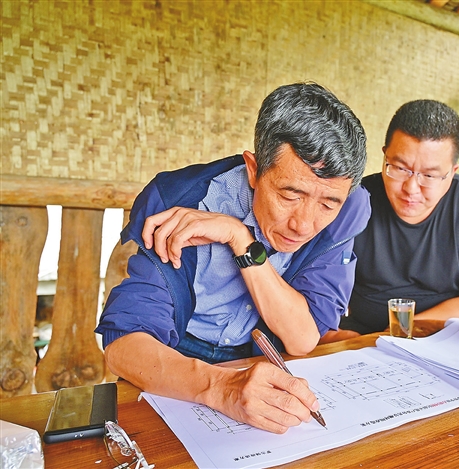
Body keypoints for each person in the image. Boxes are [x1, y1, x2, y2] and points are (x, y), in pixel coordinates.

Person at [96, 82, 370, 433]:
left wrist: (240, 238)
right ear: (253, 169)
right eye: (290, 196)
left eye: (327, 205)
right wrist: (220, 387)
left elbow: (302, 338)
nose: (303, 225)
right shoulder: (182, 200)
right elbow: (123, 346)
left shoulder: (348, 206)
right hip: (175, 355)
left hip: (260, 354)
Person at [326, 99, 459, 339]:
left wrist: (400, 330)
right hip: (359, 337)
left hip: (440, 336)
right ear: (385, 156)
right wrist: (337, 336)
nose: (411, 188)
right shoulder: (355, 200)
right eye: (400, 168)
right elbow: (320, 286)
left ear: (452, 172)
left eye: (429, 175)